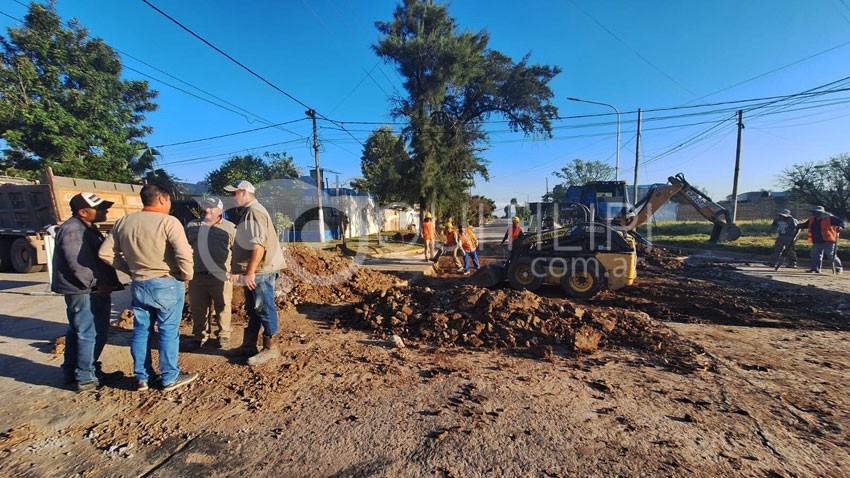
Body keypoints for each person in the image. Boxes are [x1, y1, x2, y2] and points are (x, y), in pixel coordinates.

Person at [99, 184, 197, 392]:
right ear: (163, 199)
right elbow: (183, 253)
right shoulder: (169, 222)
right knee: (168, 331)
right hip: (166, 283)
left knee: (141, 331)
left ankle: (142, 377)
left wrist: (130, 269)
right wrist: (186, 275)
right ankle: (170, 376)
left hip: (139, 283)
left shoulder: (123, 222)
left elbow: (105, 254)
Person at [52, 193, 124, 392]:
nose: (105, 211)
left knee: (79, 331)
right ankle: (86, 376)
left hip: (86, 289)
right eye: (100, 208)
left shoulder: (85, 228)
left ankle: (74, 372)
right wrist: (98, 284)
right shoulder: (74, 230)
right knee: (89, 332)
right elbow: (78, 264)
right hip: (86, 291)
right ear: (83, 212)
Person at [225, 180, 285, 366]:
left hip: (260, 271)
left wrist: (250, 272)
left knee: (264, 308)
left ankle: (271, 348)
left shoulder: (254, 212)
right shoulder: (250, 212)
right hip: (255, 271)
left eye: (234, 193)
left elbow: (258, 246)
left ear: (243, 192)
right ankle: (249, 345)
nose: (232, 197)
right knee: (254, 310)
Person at [185, 197, 236, 350]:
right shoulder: (192, 226)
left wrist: (235, 270)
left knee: (223, 306)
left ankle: (223, 334)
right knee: (198, 308)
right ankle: (200, 335)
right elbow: (183, 249)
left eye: (212, 208)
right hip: (197, 275)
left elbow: (238, 251)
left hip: (221, 275)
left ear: (220, 211)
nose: (208, 210)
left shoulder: (230, 228)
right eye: (206, 207)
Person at [796, 205, 845, 274]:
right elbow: (805, 225)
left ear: (820, 212)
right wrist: (799, 225)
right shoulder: (812, 219)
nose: (814, 213)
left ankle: (838, 269)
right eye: (813, 212)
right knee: (814, 254)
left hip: (828, 240)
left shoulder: (830, 218)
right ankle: (815, 269)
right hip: (817, 240)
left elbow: (841, 222)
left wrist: (841, 226)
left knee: (831, 255)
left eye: (815, 212)